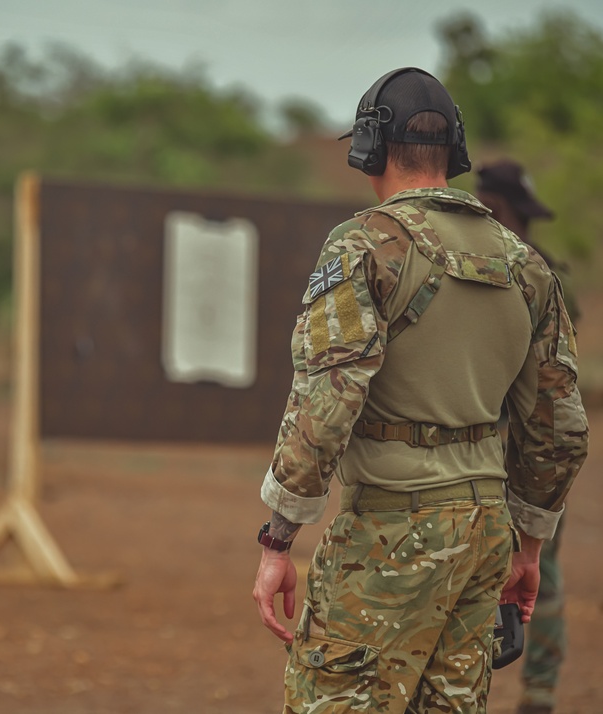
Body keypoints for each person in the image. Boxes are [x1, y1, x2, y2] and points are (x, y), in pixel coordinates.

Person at [251, 67, 588, 714]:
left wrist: (278, 537)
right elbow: (561, 426)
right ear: (455, 152)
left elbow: (326, 404)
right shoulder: (523, 263)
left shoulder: (362, 247)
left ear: (368, 150)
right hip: (484, 533)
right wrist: (527, 543)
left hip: (388, 526)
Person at [477, 159, 577, 714]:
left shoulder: (537, 275)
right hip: (489, 452)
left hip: (529, 452)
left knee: (540, 571)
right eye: (520, 217)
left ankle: (538, 691)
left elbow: (560, 385)